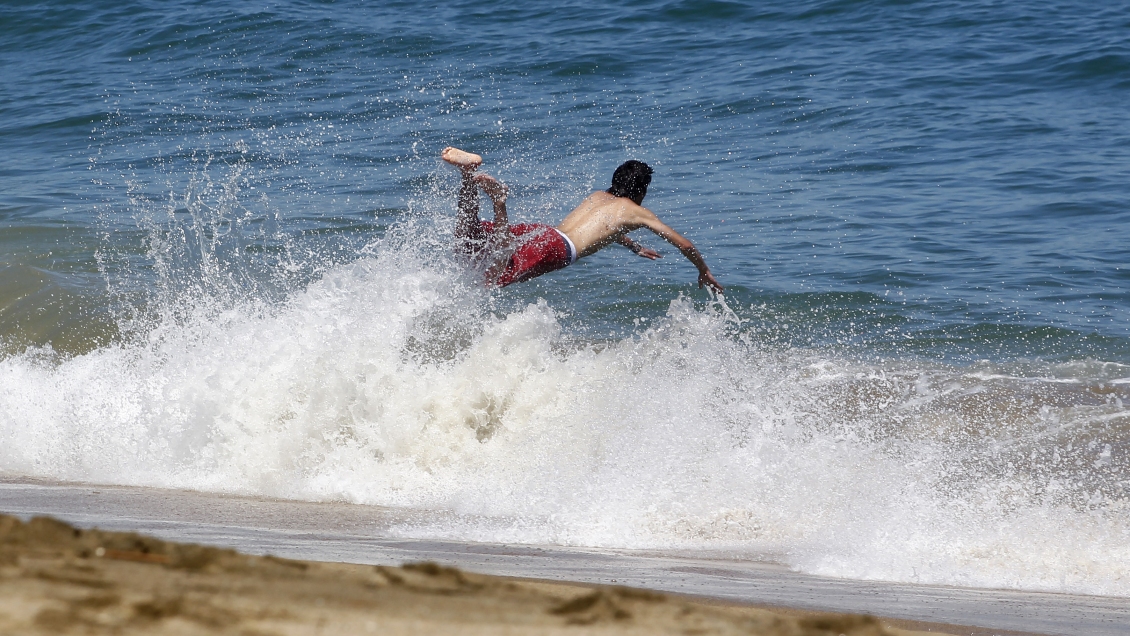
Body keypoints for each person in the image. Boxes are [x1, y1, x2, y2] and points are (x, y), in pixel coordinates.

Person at [442, 147, 723, 293]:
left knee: (468, 238)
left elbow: (603, 228)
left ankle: (468, 176)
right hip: (556, 249)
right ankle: (500, 202)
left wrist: (633, 247)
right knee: (492, 275)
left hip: (543, 233)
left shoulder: (598, 196)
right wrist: (703, 270)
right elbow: (684, 244)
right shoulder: (637, 212)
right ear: (642, 190)